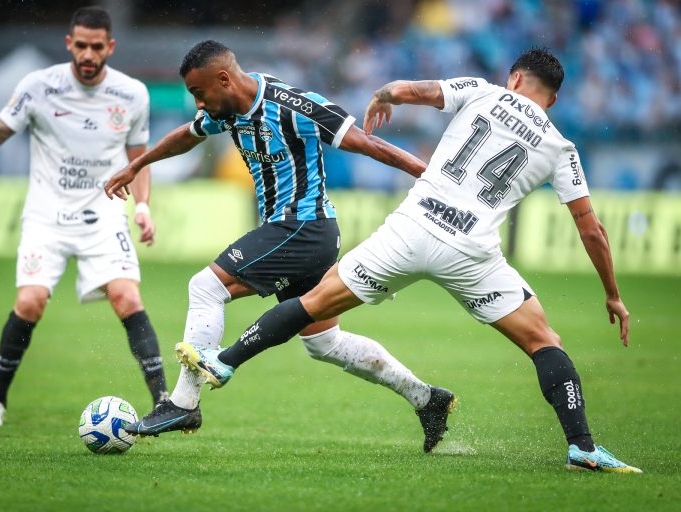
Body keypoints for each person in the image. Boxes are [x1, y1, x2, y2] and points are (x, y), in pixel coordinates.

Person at [175, 48, 642, 473]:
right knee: (544, 341)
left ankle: (226, 361)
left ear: (515, 79)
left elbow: (412, 90)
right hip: (471, 251)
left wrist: (384, 94)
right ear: (552, 101)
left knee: (315, 302)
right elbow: (591, 230)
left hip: (412, 229)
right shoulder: (562, 148)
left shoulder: (484, 91)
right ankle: (581, 445)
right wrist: (613, 294)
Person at [104, 40, 451, 446]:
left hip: (303, 227)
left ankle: (183, 403)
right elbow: (188, 134)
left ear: (223, 78)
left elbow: (369, 144)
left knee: (206, 286)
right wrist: (137, 164)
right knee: (324, 342)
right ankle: (427, 398)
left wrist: (432, 180)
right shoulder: (226, 110)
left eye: (199, 93)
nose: (198, 104)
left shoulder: (295, 106)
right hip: (297, 233)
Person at [0, 7, 169, 427]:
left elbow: (138, 160)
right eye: (81, 45)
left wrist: (142, 207)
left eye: (97, 47)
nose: (88, 55)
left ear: (110, 47)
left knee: (127, 298)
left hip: (104, 215)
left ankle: (164, 400)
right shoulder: (38, 87)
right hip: (46, 217)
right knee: (30, 302)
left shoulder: (132, 95)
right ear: (69, 43)